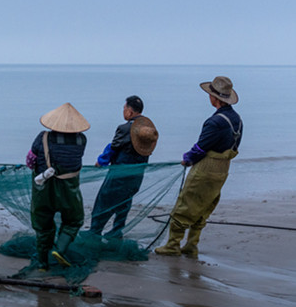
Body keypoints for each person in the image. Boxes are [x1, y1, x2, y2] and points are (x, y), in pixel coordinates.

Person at [155, 76, 243, 257]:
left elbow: (201, 147)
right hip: (223, 169)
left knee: (185, 205)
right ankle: (192, 245)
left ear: (215, 98)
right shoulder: (237, 119)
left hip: (206, 169)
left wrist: (187, 159)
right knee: (205, 205)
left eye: (210, 94)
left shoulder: (215, 122)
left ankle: (172, 245)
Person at [26, 103, 89, 269]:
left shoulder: (42, 137)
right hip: (69, 189)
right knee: (74, 220)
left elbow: (30, 161)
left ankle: (42, 263)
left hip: (43, 189)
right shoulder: (81, 140)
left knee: (43, 225)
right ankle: (59, 250)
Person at [89, 96, 159, 238]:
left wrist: (101, 161)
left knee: (103, 202)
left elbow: (113, 147)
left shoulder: (125, 128)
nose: (123, 111)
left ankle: (94, 231)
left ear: (130, 111)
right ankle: (116, 231)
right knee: (124, 204)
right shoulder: (149, 131)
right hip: (137, 175)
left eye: (124, 108)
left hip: (120, 174)